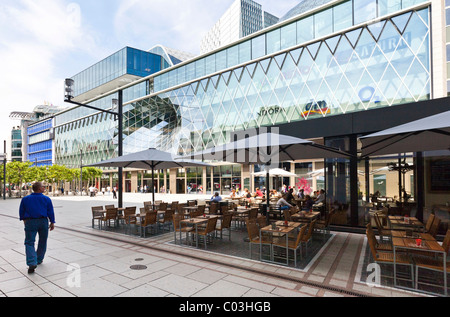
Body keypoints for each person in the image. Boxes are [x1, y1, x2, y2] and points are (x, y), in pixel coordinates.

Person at [19, 182, 56, 274]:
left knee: (29, 242)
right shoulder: (46, 199)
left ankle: (32, 262)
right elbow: (50, 211)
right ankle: (39, 259)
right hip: (43, 221)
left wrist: (25, 220)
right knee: (43, 241)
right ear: (39, 189)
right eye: (43, 187)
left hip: (30, 221)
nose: (44, 188)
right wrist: (52, 222)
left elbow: (21, 211)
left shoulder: (25, 199)